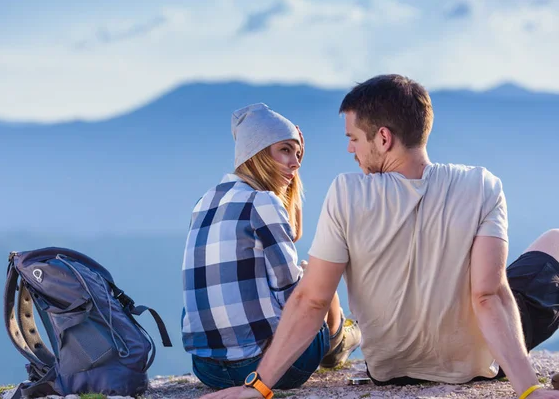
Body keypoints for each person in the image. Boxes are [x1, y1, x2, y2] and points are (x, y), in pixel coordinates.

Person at [200, 75, 559, 399]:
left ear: (383, 137)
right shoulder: (482, 185)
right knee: (555, 240)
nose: (350, 149)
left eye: (353, 138)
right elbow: (487, 294)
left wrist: (258, 387)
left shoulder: (346, 194)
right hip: (476, 364)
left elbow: (311, 301)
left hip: (390, 370)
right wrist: (529, 389)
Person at [181, 103, 362, 391]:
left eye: (298, 154)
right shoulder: (262, 202)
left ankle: (337, 339)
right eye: (286, 150)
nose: (296, 163)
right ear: (258, 152)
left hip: (207, 370)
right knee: (315, 274)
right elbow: (295, 297)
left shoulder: (205, 202)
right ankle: (340, 341)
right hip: (262, 370)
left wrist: (290, 164)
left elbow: (294, 233)